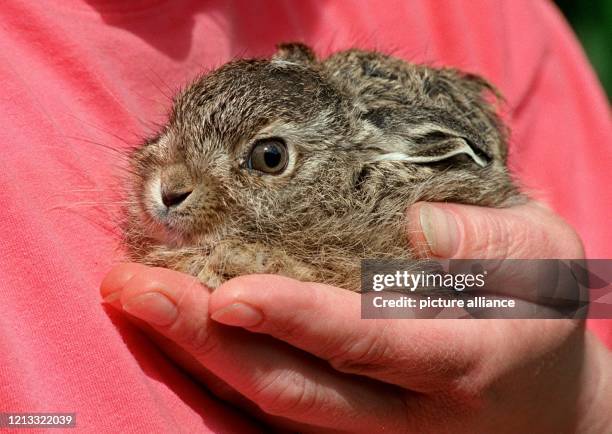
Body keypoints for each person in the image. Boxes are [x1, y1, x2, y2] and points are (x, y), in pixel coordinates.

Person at [1, 0, 610, 432]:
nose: (171, 183)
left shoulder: (488, 16)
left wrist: (575, 399)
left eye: (268, 159)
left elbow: (586, 286)